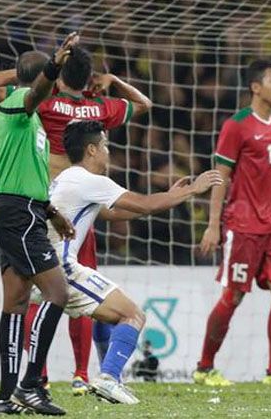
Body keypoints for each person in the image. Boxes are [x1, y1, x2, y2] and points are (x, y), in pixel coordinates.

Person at [0, 44, 152, 395]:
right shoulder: (100, 107)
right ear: (89, 77)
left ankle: (33, 378)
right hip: (73, 208)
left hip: (48, 205)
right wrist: (114, 80)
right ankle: (81, 373)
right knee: (81, 292)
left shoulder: (42, 102)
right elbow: (146, 104)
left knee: (31, 296)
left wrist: (36, 72)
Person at [49, 120, 222, 403]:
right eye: (105, 146)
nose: (108, 151)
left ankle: (108, 378)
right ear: (92, 150)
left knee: (102, 313)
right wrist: (191, 191)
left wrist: (172, 197)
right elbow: (144, 203)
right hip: (61, 268)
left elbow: (115, 214)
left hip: (46, 267)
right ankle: (108, 378)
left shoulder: (70, 179)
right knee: (133, 315)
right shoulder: (89, 180)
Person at [194, 59, 271, 386]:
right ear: (255, 87)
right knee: (233, 296)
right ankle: (204, 368)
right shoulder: (237, 125)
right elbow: (220, 177)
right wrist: (213, 225)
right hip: (242, 226)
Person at [0, 32, 78, 416]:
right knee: (58, 292)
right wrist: (48, 67)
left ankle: (5, 397)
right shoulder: (21, 102)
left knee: (17, 304)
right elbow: (32, 90)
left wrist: (52, 212)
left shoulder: (25, 112)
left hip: (27, 211)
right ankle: (32, 384)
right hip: (17, 214)